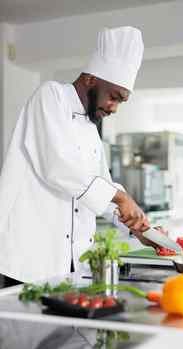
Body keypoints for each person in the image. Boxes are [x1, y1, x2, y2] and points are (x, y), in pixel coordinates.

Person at [0, 26, 153, 285]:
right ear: (90, 79)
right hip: (28, 259)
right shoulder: (50, 96)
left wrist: (138, 228)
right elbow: (57, 165)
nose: (114, 107)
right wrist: (121, 197)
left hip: (70, 262)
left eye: (120, 102)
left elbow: (102, 189)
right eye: (113, 97)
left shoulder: (91, 128)